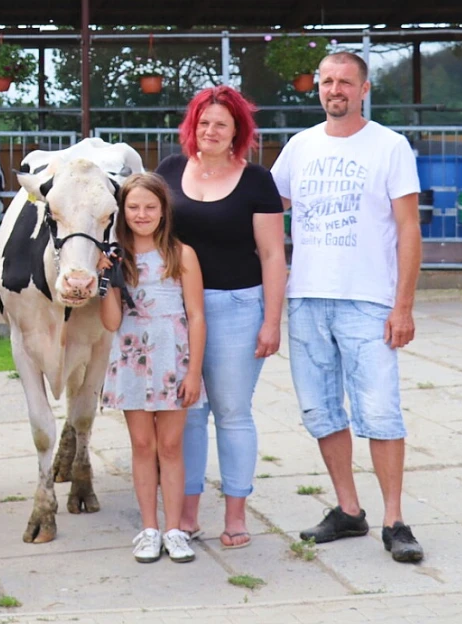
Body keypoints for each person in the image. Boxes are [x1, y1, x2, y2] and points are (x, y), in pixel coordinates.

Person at [270, 52, 425, 563]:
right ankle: (348, 509)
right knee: (322, 410)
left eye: (345, 82)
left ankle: (394, 519)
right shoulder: (299, 146)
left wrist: (402, 305)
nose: (334, 89)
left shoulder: (389, 146)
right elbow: (269, 209)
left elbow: (408, 228)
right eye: (326, 81)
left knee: (380, 411)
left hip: (367, 300)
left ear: (364, 88)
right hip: (308, 298)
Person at [155, 86, 287, 550]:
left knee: (231, 413)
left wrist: (272, 320)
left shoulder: (256, 181)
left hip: (236, 308)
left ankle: (235, 515)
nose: (210, 131)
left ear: (238, 132)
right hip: (176, 311)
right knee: (187, 413)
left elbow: (272, 255)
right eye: (203, 122)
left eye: (221, 124)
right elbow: (146, 229)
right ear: (192, 125)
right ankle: (187, 514)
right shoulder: (169, 171)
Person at [99, 172, 206, 564]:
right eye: (133, 207)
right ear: (122, 212)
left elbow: (196, 316)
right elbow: (111, 322)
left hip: (171, 360)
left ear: (163, 211)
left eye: (150, 207)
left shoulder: (182, 255)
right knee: (142, 445)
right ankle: (148, 528)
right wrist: (104, 279)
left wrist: (193, 372)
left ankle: (175, 529)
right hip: (132, 359)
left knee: (171, 445)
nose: (141, 214)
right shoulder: (115, 260)